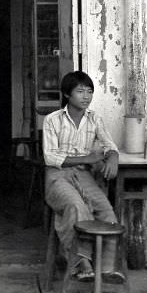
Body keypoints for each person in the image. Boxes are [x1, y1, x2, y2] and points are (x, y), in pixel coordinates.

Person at [42, 70, 123, 282]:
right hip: (57, 176)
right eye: (80, 91)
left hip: (84, 177)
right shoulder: (53, 120)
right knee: (76, 207)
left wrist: (113, 157)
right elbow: (51, 157)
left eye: (89, 91)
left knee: (106, 211)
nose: (86, 96)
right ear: (67, 94)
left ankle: (107, 268)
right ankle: (81, 262)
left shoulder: (94, 119)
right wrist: (87, 159)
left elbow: (109, 146)